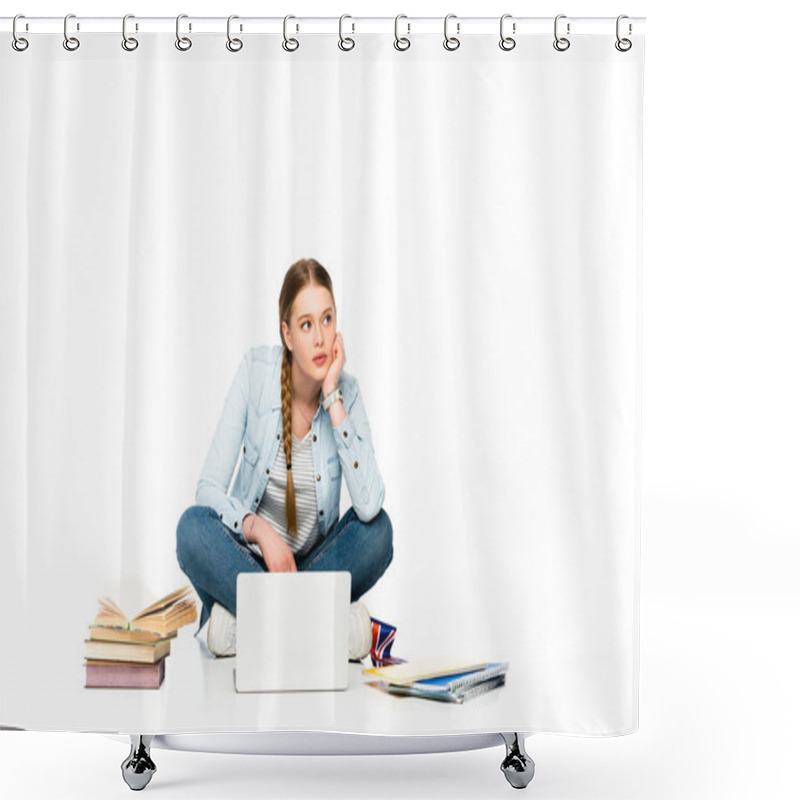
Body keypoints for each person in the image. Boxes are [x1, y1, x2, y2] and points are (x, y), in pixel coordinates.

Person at [176, 258, 394, 658]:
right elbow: (207, 488)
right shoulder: (255, 373)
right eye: (307, 324)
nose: (320, 337)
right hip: (252, 563)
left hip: (315, 567)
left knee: (379, 532)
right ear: (287, 334)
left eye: (327, 319)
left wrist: (333, 398)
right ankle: (322, 631)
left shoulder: (348, 392)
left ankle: (246, 629)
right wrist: (259, 531)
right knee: (191, 529)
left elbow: (368, 505)